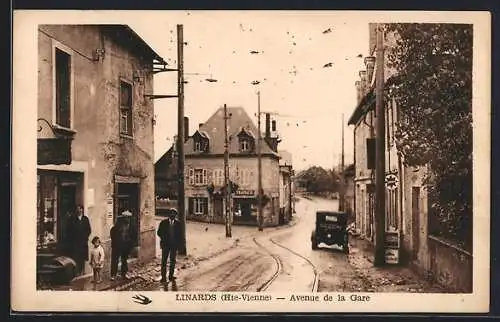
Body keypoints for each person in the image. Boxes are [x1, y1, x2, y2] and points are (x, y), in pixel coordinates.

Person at [110, 209, 137, 280]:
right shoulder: (118, 225)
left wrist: (131, 243)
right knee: (115, 260)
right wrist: (115, 241)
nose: (127, 219)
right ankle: (113, 275)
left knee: (124, 260)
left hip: (126, 245)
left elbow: (134, 235)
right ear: (123, 217)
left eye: (128, 217)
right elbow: (112, 232)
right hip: (117, 245)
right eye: (125, 217)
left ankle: (124, 274)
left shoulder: (132, 225)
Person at [157, 209, 182, 283]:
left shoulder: (178, 224)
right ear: (168, 215)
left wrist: (178, 245)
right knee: (164, 261)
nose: (172, 215)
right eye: (171, 214)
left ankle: (171, 276)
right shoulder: (163, 223)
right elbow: (159, 232)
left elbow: (180, 235)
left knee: (172, 261)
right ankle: (163, 277)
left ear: (175, 216)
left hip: (174, 245)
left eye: (174, 214)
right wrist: (164, 239)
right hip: (165, 245)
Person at [66, 205, 91, 275]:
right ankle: (76, 271)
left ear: (82, 210)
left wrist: (85, 237)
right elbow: (69, 230)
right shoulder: (73, 219)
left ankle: (82, 270)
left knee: (82, 257)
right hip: (75, 241)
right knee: (76, 256)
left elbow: (89, 230)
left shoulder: (85, 219)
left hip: (83, 241)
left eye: (80, 209)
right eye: (77, 210)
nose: (79, 211)